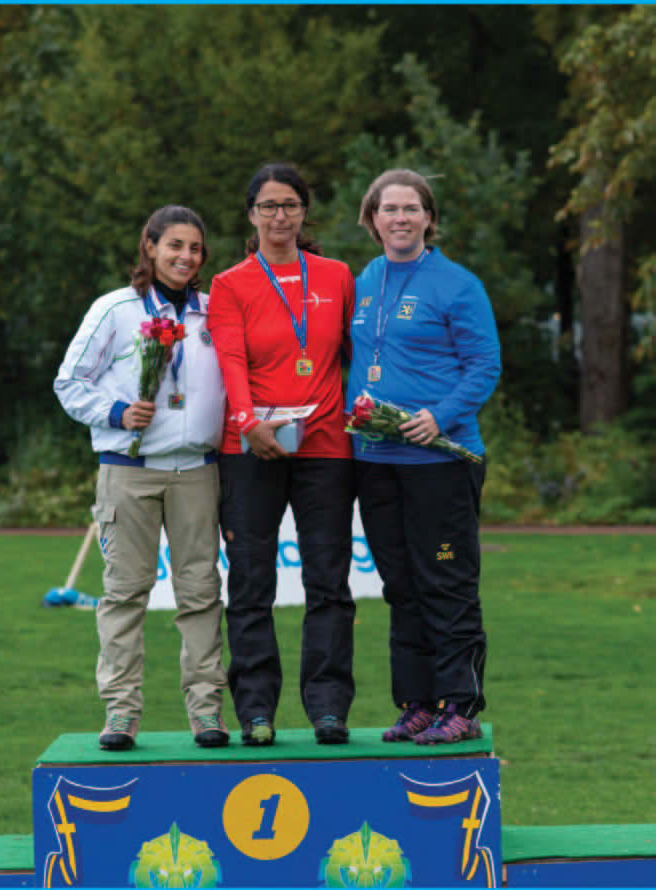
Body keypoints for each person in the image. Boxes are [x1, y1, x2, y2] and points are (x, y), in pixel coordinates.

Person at [54, 205, 229, 751]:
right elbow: (69, 382)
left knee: (201, 594)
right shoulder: (115, 309)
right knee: (125, 594)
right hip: (129, 471)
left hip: (197, 472)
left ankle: (206, 711)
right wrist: (116, 413)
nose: (185, 256)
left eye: (195, 248)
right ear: (149, 247)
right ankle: (121, 712)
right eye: (174, 245)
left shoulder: (214, 311)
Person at [347, 169, 501, 745]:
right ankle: (416, 702)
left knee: (446, 581)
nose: (400, 218)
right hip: (376, 462)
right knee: (401, 586)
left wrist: (440, 414)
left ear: (429, 218)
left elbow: (484, 365)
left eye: (411, 208)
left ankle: (459, 704)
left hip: (440, 463)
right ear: (373, 219)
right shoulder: (366, 280)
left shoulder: (458, 284)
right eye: (389, 209)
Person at [207, 163, 355, 746]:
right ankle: (256, 711)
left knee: (329, 581)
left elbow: (355, 350)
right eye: (268, 206)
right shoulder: (230, 284)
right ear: (251, 214)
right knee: (250, 582)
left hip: (326, 446)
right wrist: (249, 425)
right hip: (251, 448)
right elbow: (231, 360)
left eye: (290, 204)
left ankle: (328, 708)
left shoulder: (337, 275)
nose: (279, 216)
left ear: (304, 212)